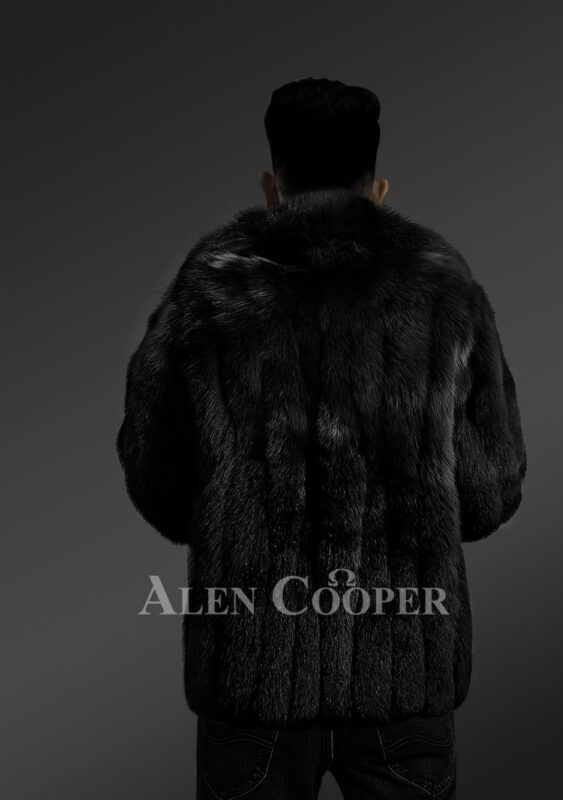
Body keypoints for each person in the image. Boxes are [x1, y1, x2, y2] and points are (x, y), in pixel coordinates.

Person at [116, 77, 527, 799]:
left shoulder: (210, 287)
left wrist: (233, 516)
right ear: (378, 189)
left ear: (272, 185)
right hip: (403, 684)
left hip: (252, 685)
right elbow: (490, 489)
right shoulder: (441, 289)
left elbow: (157, 477)